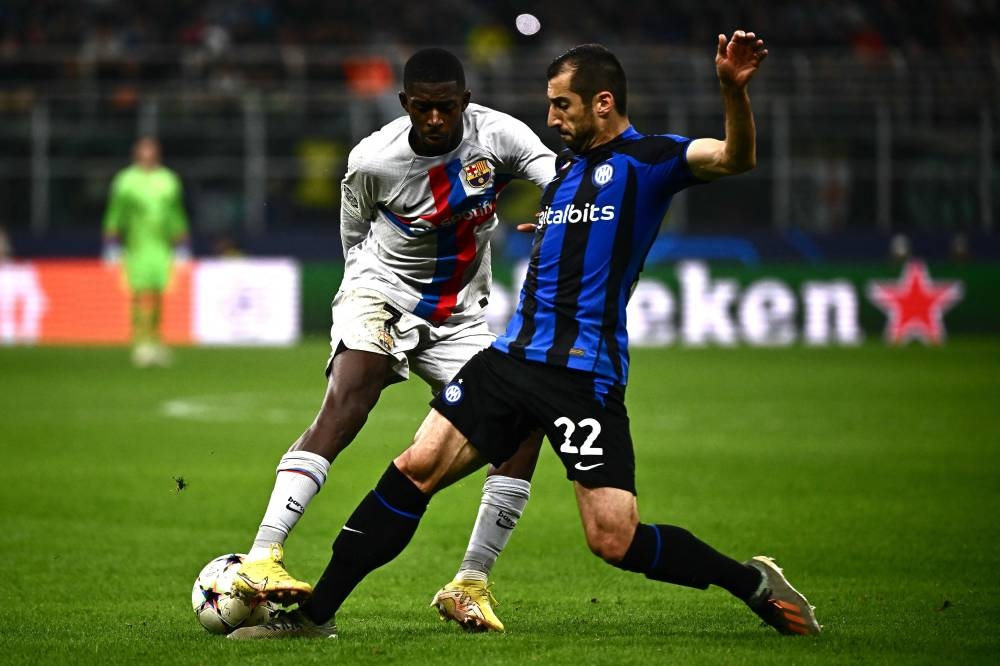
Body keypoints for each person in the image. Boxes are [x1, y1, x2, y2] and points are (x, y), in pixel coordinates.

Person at [231, 31, 822, 641]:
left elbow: (734, 158)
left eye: (561, 105)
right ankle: (314, 615)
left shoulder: (651, 161)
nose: (551, 118)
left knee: (613, 540)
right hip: (512, 360)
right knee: (414, 468)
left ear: (602, 103)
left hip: (583, 377)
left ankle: (749, 583)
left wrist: (731, 91)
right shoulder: (564, 176)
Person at [230, 48, 556, 632]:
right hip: (380, 293)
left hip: (459, 314)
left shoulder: (498, 134)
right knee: (351, 397)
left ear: (465, 101)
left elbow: (553, 174)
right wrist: (363, 305)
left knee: (522, 425)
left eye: (447, 107)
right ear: (406, 104)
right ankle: (261, 557)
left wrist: (559, 210)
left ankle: (471, 583)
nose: (436, 119)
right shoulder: (373, 160)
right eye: (424, 108)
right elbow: (353, 237)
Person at [102, 136, 190, 367]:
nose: (147, 154)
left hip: (161, 246)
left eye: (151, 150)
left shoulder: (168, 180)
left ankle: (156, 339)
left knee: (158, 292)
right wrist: (111, 240)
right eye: (144, 150)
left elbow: (176, 212)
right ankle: (140, 342)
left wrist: (182, 241)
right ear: (137, 153)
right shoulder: (126, 180)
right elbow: (116, 210)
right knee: (139, 292)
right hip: (137, 244)